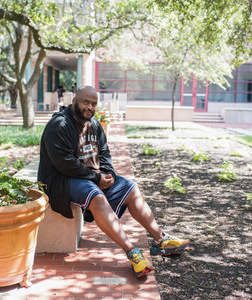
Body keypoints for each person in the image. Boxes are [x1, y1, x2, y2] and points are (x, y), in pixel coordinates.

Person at [38, 85, 190, 278]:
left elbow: (104, 153)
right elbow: (65, 163)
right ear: (74, 101)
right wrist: (96, 178)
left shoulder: (93, 124)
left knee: (130, 188)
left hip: (89, 178)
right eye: (86, 102)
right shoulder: (59, 125)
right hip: (62, 181)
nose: (90, 107)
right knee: (97, 198)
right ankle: (132, 253)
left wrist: (107, 174)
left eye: (93, 104)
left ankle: (161, 240)